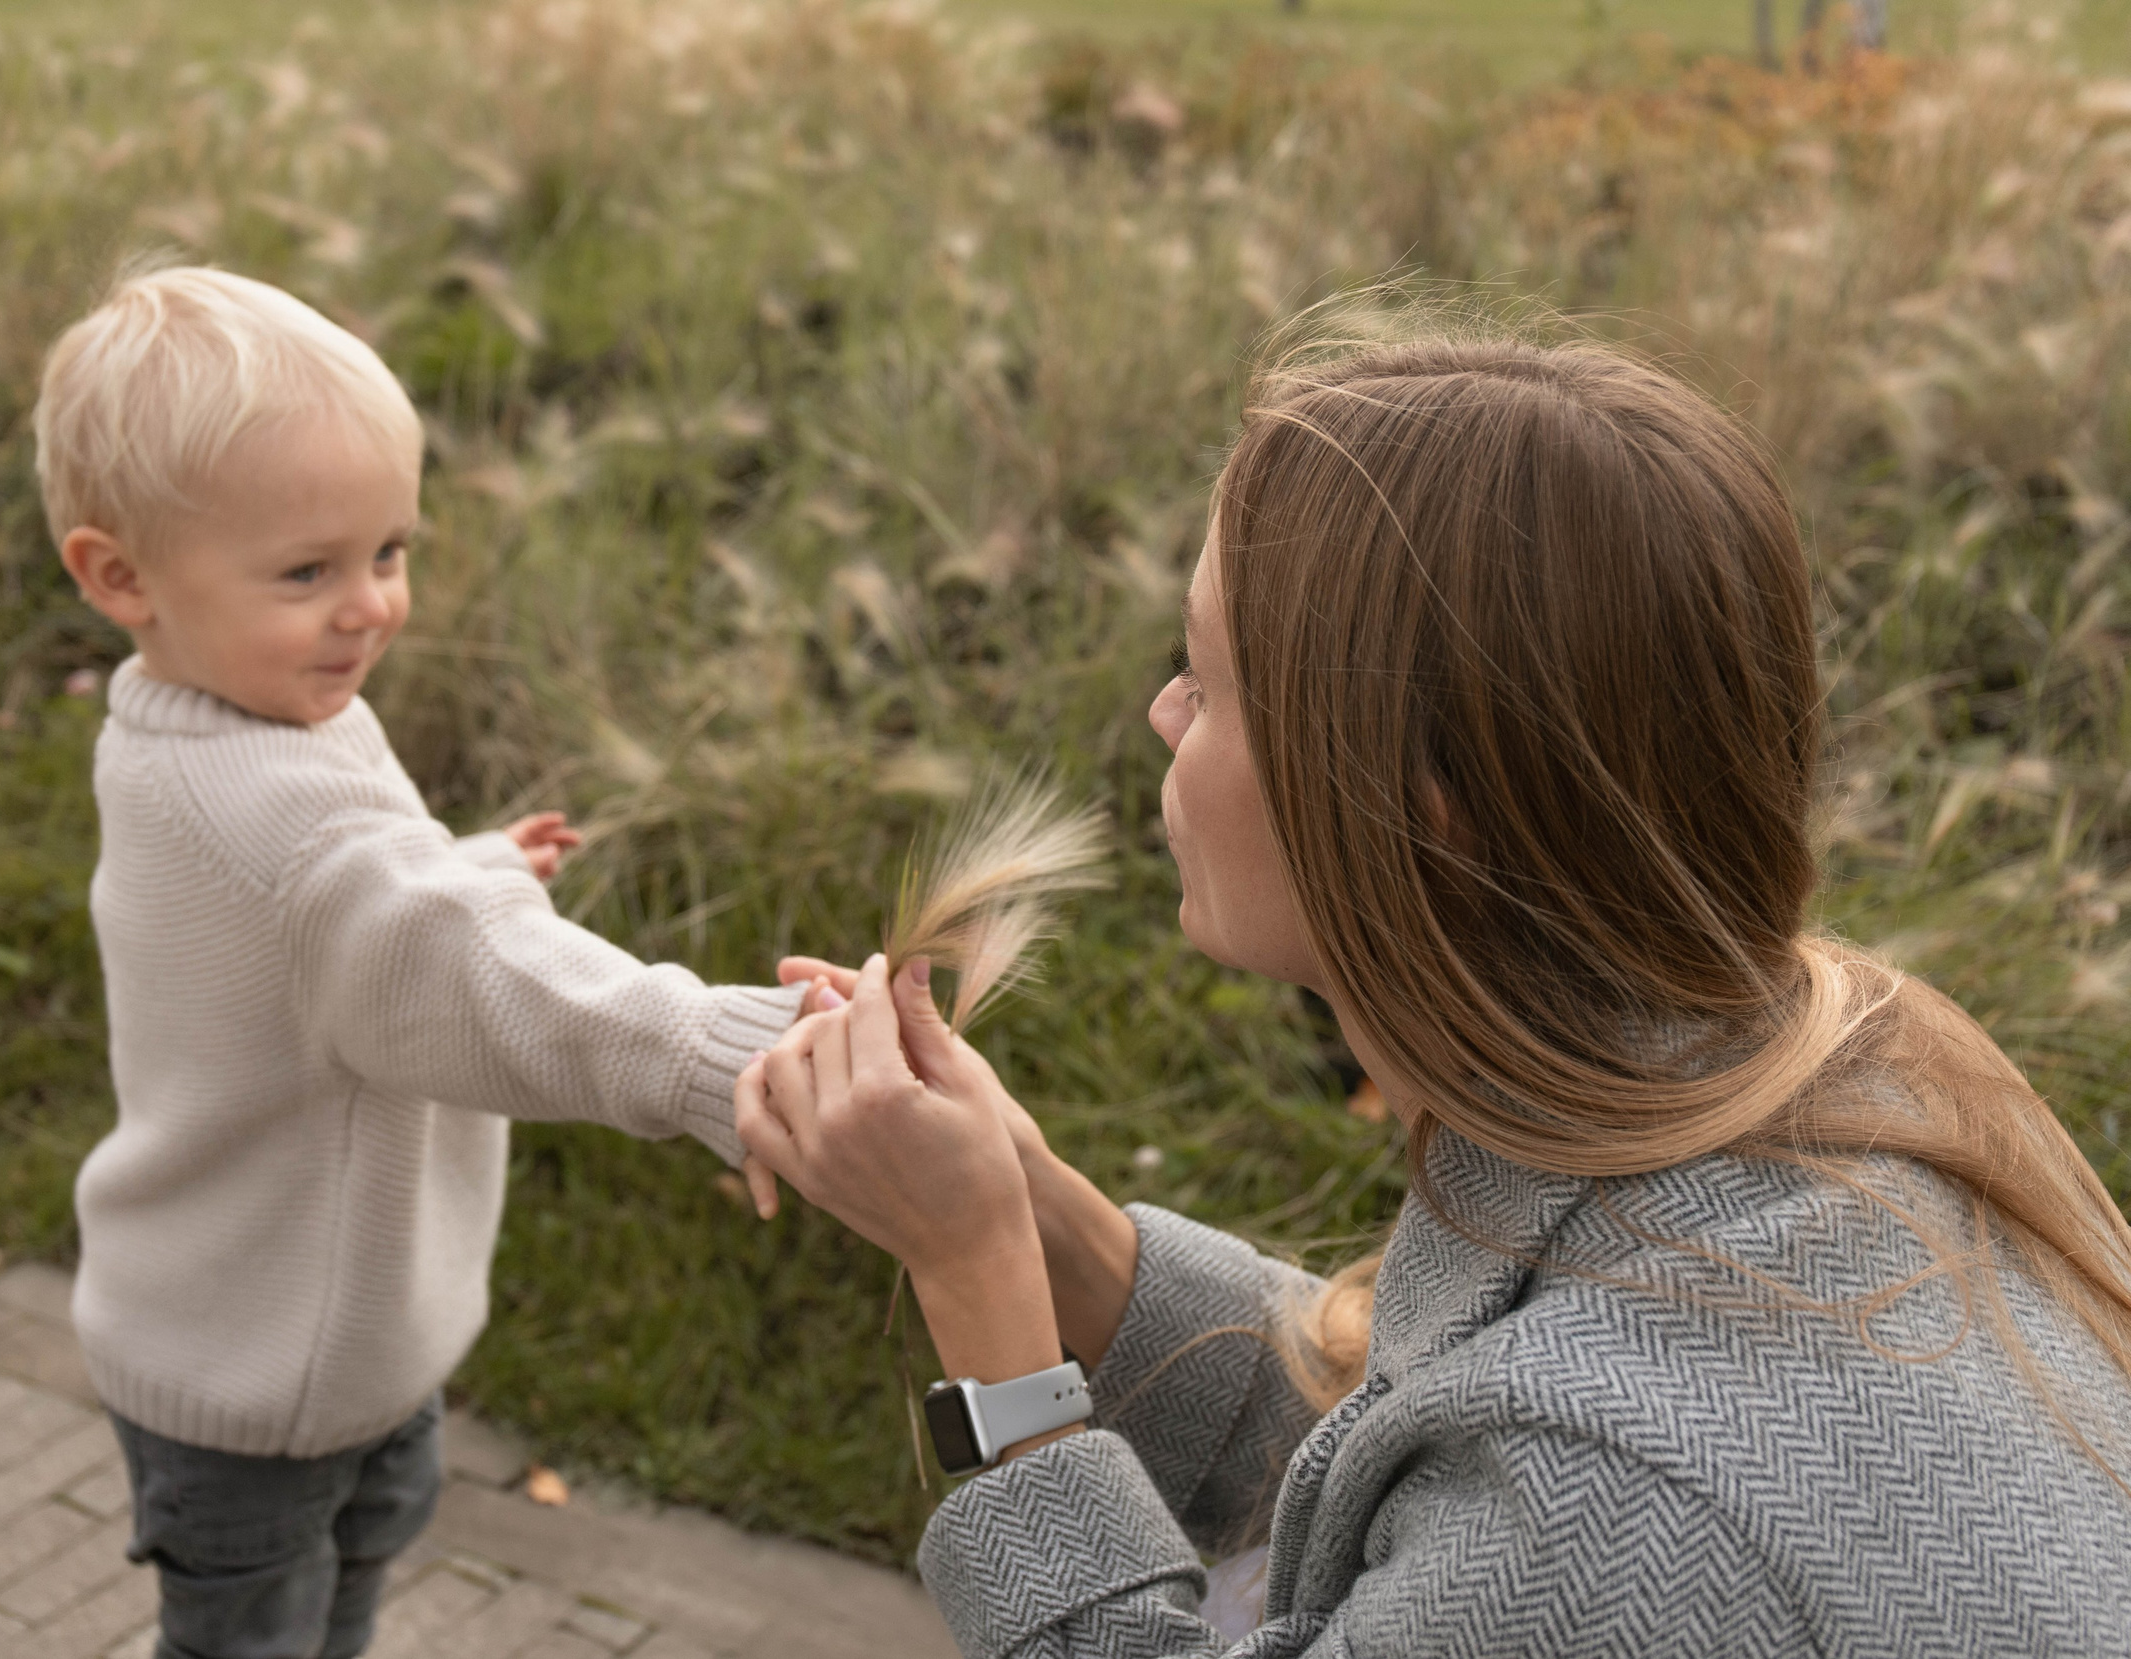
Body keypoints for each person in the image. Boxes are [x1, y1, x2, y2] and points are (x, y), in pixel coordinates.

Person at [738, 332, 2131, 1657]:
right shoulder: (1828, 1064)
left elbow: (1553, 1482)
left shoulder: (1629, 1488)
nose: (1164, 711)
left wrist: (983, 1308)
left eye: (1215, 684)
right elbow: (1429, 1452)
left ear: (1426, 811)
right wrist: (1045, 1223)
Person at [34, 263, 812, 1659]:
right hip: (275, 1391)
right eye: (308, 571)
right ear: (119, 577)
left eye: (390, 551)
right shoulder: (283, 804)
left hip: (281, 1336)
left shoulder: (207, 713)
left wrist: (460, 869)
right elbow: (455, 974)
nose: (371, 608)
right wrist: (711, 1053)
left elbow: (343, 912)